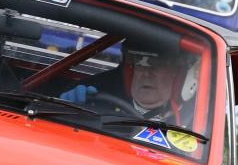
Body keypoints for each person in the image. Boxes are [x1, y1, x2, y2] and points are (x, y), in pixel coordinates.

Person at [61, 45, 194, 125]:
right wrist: (63, 109)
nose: (147, 73)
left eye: (159, 64)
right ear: (130, 70)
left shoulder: (199, 117)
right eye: (141, 64)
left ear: (179, 76)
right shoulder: (94, 94)